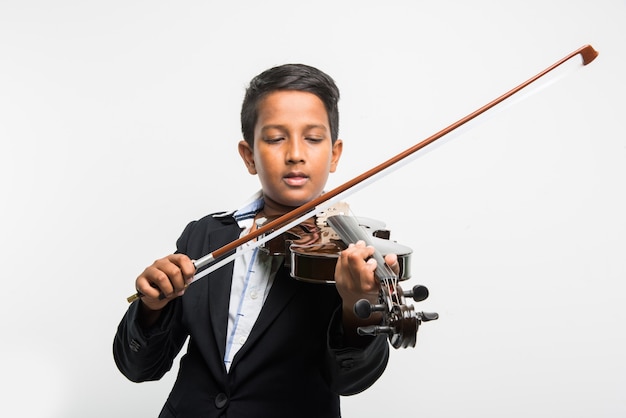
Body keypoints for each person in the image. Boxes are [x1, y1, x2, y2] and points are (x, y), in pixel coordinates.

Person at [113, 63, 397, 418]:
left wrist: (358, 307)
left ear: (334, 153)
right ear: (249, 156)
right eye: (276, 138)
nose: (295, 153)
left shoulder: (351, 256)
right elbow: (139, 367)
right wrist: (152, 310)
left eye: (312, 138)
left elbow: (350, 381)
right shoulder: (203, 235)